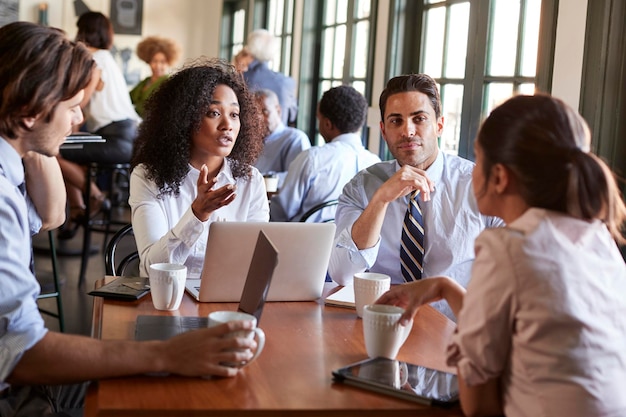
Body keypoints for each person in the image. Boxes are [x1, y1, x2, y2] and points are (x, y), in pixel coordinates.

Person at [0, 22, 258, 417]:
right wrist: (166, 354)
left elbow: (49, 217)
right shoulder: (3, 196)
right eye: (72, 107)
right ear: (31, 109)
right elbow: (20, 352)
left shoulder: (10, 179)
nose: (79, 121)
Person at [376, 94, 626, 417]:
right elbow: (526, 326)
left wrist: (463, 348)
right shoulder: (596, 235)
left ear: (498, 177)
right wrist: (445, 287)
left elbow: (479, 406)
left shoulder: (507, 247)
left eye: (478, 159)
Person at [327, 74, 503, 320]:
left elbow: (514, 273)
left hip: (454, 327)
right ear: (384, 130)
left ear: (439, 126)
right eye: (396, 121)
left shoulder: (476, 183)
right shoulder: (362, 187)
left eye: (419, 119)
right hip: (381, 322)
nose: (407, 131)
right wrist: (380, 200)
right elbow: (341, 273)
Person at [129, 58, 268, 279]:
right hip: (168, 299)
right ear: (184, 118)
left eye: (234, 114)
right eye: (213, 113)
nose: (227, 125)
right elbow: (151, 268)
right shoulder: (147, 177)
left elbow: (256, 260)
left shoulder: (251, 180)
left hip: (227, 300)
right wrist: (197, 214)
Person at [57, 11, 141, 239]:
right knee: (69, 151)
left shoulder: (93, 59)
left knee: (54, 150)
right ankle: (77, 211)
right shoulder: (107, 58)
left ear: (84, 31)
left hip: (114, 136)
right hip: (126, 135)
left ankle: (94, 197)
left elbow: (80, 103)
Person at [270, 85, 380, 222]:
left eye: (318, 119)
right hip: (355, 241)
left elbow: (281, 213)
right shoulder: (375, 164)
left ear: (327, 124)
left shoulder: (312, 159)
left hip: (307, 242)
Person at [253, 89, 310, 188]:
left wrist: (255, 181)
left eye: (265, 112)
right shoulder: (250, 140)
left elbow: (297, 177)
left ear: (278, 111)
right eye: (254, 114)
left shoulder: (295, 139)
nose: (259, 119)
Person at [242, 29, 298, 126]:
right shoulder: (286, 82)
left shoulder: (240, 78)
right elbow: (292, 116)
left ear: (250, 49)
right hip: (280, 139)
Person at [129, 35, 181, 117]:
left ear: (168, 63)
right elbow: (128, 98)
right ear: (148, 61)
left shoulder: (169, 83)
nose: (158, 66)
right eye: (154, 61)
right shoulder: (145, 81)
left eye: (162, 62)